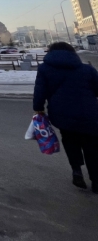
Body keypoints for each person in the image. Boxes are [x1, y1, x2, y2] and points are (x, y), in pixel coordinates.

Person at [33, 42, 98, 193]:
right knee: (92, 147)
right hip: (88, 113)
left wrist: (38, 108)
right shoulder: (87, 69)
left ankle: (77, 171)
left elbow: (40, 90)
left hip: (62, 114)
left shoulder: (44, 69)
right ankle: (96, 181)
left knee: (70, 141)